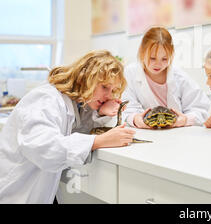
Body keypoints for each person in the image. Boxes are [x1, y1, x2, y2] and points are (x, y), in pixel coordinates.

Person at [0, 50, 136, 203]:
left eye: (112, 91)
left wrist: (101, 111)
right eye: (105, 87)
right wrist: (97, 141)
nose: (109, 95)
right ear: (86, 78)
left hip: (41, 189)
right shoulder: (46, 99)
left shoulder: (74, 103)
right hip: (16, 193)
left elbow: (78, 126)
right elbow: (44, 148)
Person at [122, 27, 210, 128]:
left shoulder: (179, 77)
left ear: (171, 55)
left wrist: (185, 119)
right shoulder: (130, 73)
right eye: (152, 58)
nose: (158, 64)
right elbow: (127, 108)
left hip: (177, 133)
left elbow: (202, 108)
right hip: (145, 133)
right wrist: (135, 119)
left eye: (164, 59)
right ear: (142, 52)